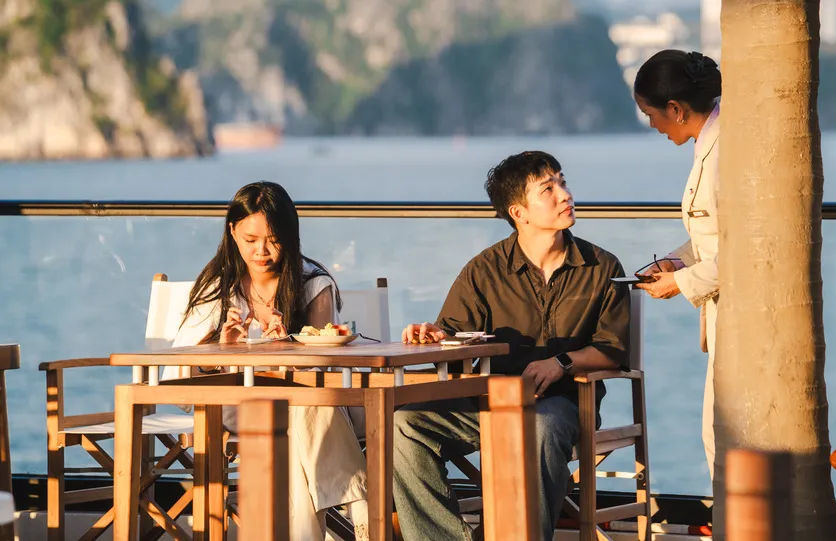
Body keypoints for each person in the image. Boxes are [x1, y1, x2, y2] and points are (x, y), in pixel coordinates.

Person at [393, 151, 631, 541]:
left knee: (539, 427)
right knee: (405, 424)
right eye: (548, 189)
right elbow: (455, 335)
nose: (565, 195)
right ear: (518, 212)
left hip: (565, 403)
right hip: (489, 402)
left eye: (562, 182)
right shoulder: (484, 270)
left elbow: (613, 349)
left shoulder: (602, 267)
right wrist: (435, 336)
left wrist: (562, 362)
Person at [167, 181, 369, 541]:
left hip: (307, 403)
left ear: (290, 236)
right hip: (238, 404)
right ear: (232, 232)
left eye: (273, 240)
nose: (261, 251)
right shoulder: (217, 287)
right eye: (250, 239)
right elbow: (179, 380)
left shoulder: (312, 283)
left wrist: (286, 350)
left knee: (303, 413)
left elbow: (326, 366)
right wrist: (220, 354)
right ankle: (365, 513)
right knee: (306, 410)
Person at [631, 49, 722, 479]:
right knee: (716, 436)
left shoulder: (726, 150)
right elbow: (715, 232)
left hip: (742, 315)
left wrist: (681, 283)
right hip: (723, 311)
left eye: (651, 115)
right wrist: (673, 261)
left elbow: (748, 248)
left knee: (722, 439)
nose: (652, 125)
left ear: (676, 109)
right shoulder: (709, 143)